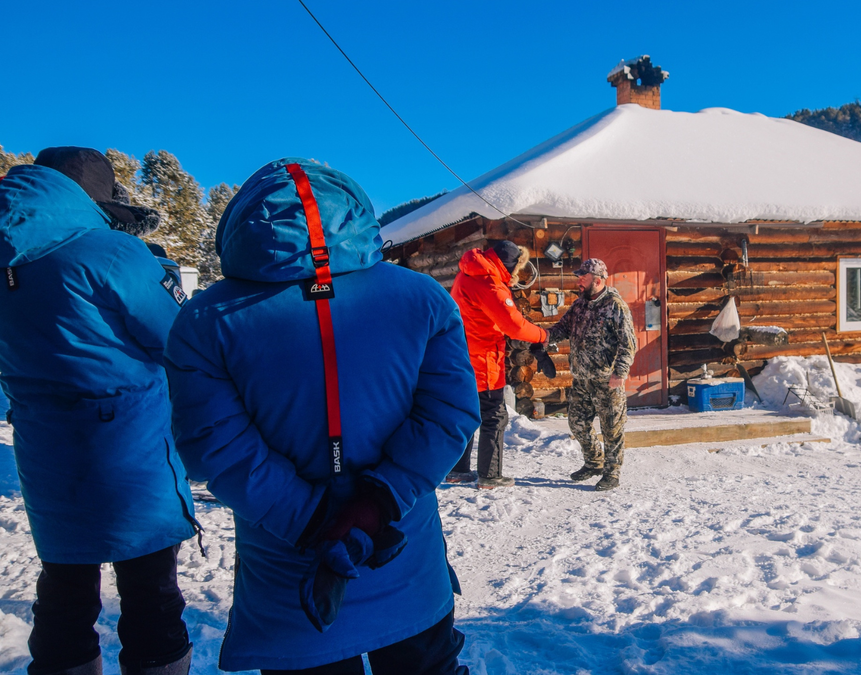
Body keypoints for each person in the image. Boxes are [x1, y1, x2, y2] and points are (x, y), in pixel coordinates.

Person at [165, 158, 479, 674]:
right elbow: (449, 412)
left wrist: (313, 521)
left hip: (290, 559)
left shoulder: (204, 320)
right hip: (399, 543)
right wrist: (377, 505)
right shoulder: (420, 297)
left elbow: (214, 445)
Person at [0, 148, 196, 675]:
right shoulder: (111, 253)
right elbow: (181, 341)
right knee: (151, 595)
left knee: (63, 593)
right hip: (129, 455)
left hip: (44, 454)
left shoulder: (6, 260)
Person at [448, 240, 550, 489]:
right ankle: (490, 475)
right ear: (509, 264)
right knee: (494, 416)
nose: (517, 274)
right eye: (517, 267)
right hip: (483, 360)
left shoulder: (467, 273)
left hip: (461, 357)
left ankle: (457, 470)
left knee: (466, 415)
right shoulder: (490, 284)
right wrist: (542, 336)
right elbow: (513, 325)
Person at [546, 259, 637, 491]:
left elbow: (629, 343)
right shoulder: (579, 305)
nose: (578, 281)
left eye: (582, 278)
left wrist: (620, 372)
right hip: (582, 380)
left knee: (612, 429)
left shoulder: (615, 306)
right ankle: (594, 462)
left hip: (607, 381)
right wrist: (543, 336)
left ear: (596, 280)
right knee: (577, 424)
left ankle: (612, 473)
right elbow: (561, 329)